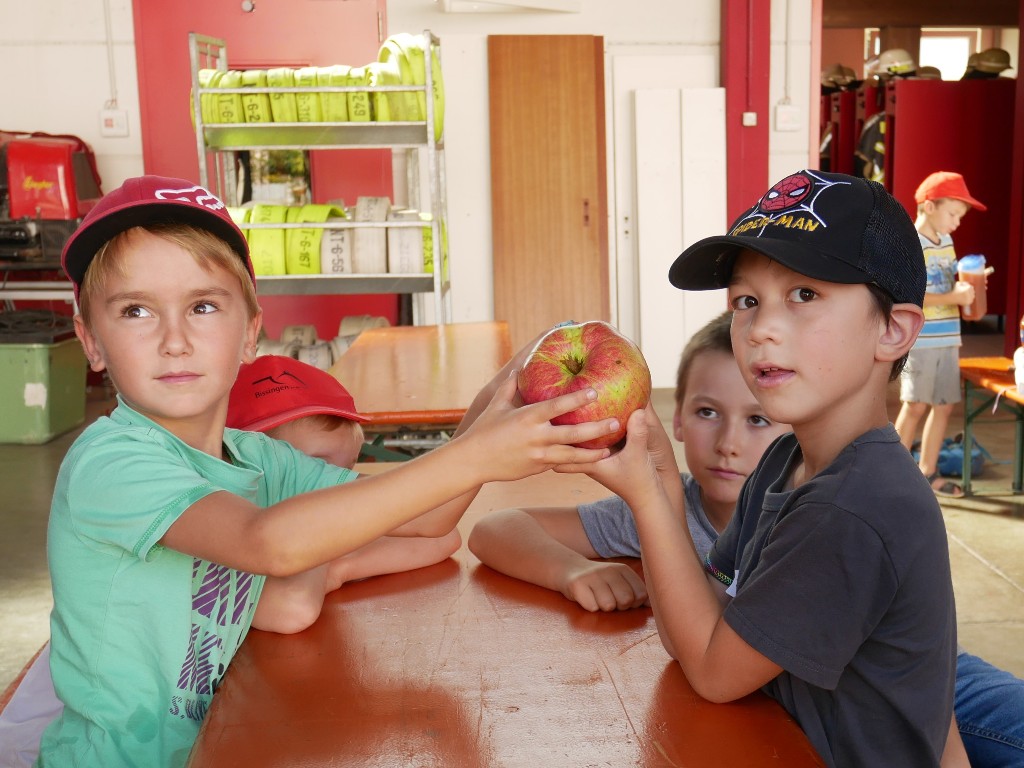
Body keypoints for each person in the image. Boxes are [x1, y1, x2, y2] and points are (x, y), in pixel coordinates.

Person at [37, 175, 618, 768]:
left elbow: (426, 518)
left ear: (250, 334)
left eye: (203, 306)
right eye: (135, 311)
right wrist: (476, 455)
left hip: (224, 745)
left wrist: (500, 398)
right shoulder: (110, 461)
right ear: (91, 341)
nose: (175, 340)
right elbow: (268, 544)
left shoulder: (258, 458)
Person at [560, 169, 961, 766]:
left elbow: (712, 670)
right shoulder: (786, 459)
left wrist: (649, 498)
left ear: (893, 330)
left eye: (805, 295)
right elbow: (704, 618)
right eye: (747, 301)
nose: (760, 330)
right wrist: (665, 483)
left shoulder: (852, 508)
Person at [468, 311, 790, 612]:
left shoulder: (807, 522)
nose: (728, 444)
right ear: (677, 418)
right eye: (707, 412)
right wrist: (571, 570)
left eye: (757, 420)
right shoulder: (655, 504)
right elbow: (492, 531)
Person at [226, 353, 461, 633]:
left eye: (347, 468)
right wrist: (336, 562)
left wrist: (337, 564)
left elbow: (441, 534)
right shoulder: (223, 537)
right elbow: (290, 608)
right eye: (316, 468)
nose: (339, 487)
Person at [894, 171, 986, 499]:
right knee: (916, 404)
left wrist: (965, 288)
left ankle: (927, 471)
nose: (957, 223)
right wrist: (955, 298)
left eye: (960, 217)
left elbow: (945, 286)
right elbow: (910, 297)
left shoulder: (946, 242)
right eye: (953, 214)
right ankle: (889, 474)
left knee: (944, 406)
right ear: (929, 207)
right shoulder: (911, 244)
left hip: (948, 337)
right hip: (921, 340)